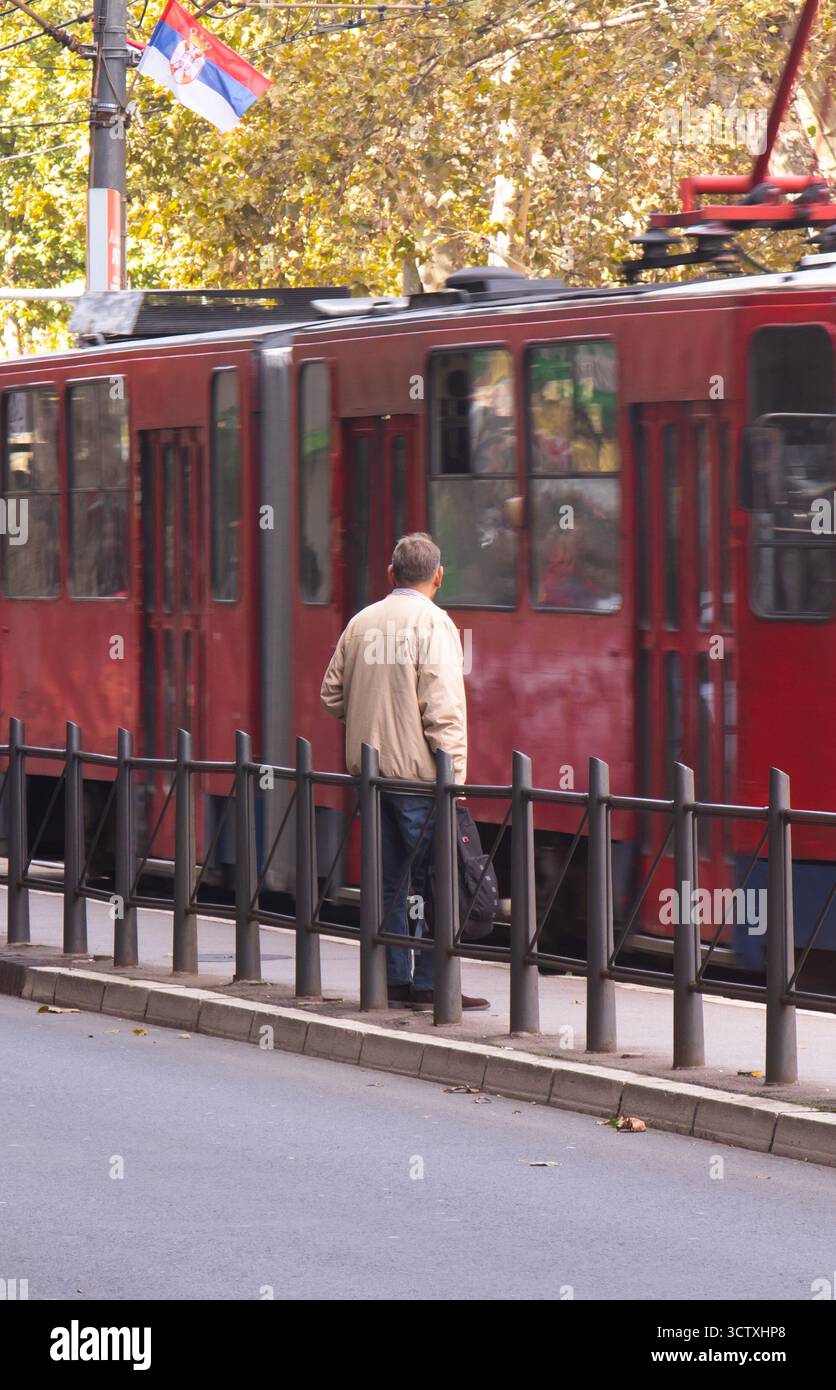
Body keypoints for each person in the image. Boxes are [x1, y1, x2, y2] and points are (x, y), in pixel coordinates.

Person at [320, 532, 489, 1010]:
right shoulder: (435, 625)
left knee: (388, 882)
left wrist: (371, 717)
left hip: (372, 780)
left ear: (391, 573)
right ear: (439, 576)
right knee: (439, 880)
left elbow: (330, 696)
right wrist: (453, 782)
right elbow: (444, 711)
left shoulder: (361, 623)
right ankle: (434, 985)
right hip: (419, 780)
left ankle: (392, 980)